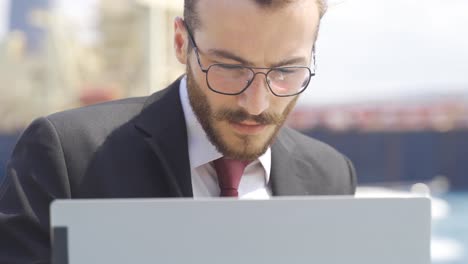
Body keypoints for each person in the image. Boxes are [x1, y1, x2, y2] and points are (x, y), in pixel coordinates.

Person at [0, 0, 356, 262]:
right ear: (181, 43)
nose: (256, 104)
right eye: (229, 68)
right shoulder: (67, 155)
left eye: (285, 71)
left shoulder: (332, 175)